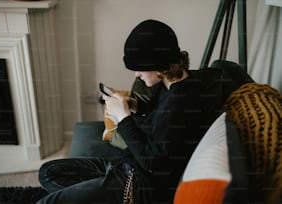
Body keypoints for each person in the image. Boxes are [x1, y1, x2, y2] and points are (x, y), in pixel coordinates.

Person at [36, 19, 253, 204]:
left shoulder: (181, 101)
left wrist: (123, 118)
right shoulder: (177, 82)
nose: (137, 75)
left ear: (158, 63)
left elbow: (152, 163)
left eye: (140, 68)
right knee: (48, 172)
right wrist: (136, 107)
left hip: (137, 184)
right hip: (125, 164)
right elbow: (162, 122)